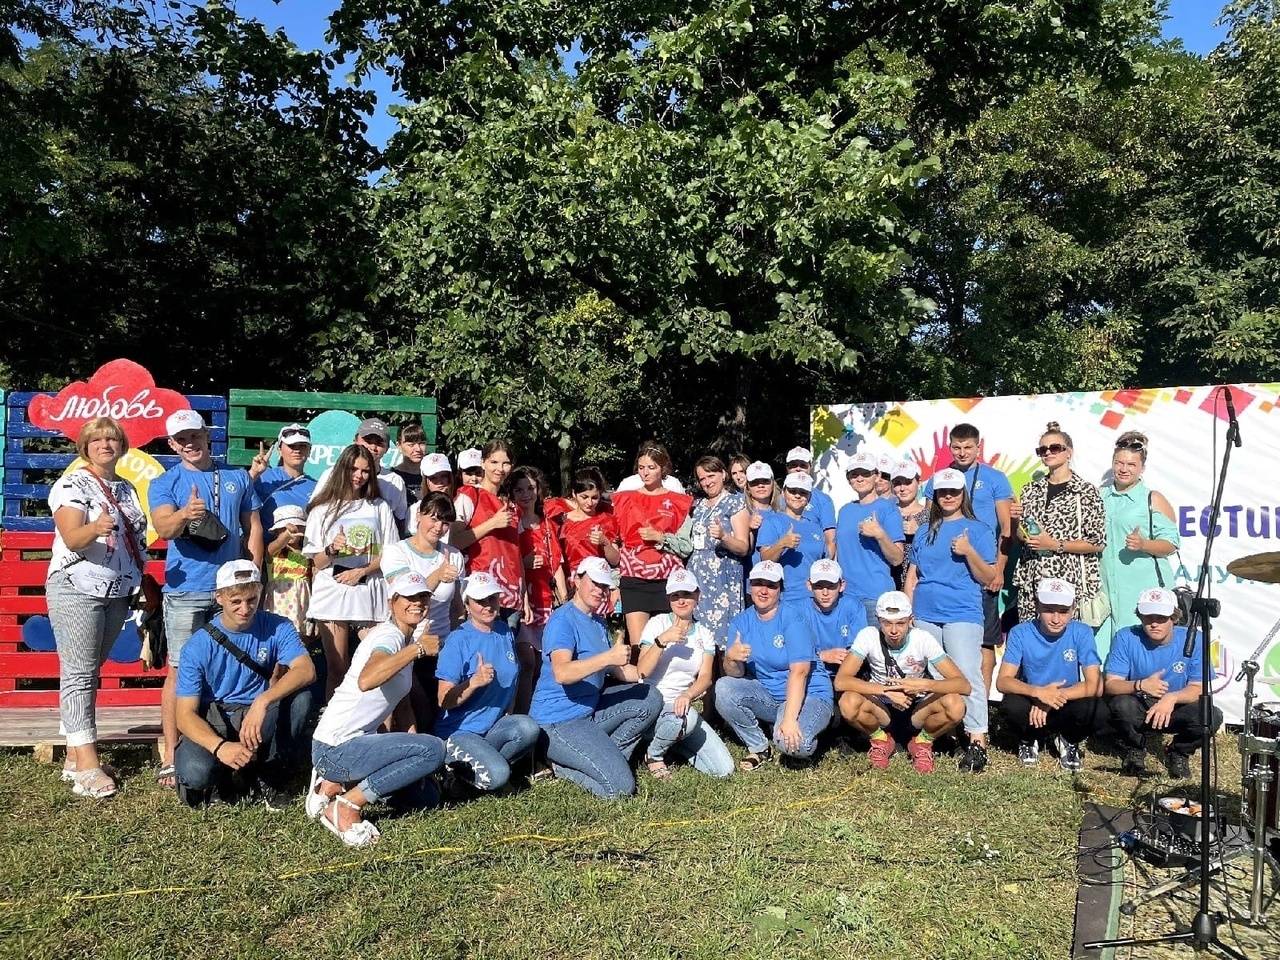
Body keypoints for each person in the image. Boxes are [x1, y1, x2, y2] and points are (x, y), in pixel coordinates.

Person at [150, 409, 263, 790]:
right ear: (172, 445)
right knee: (181, 670)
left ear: (206, 435)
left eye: (194, 436)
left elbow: (253, 528)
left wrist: (255, 575)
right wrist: (186, 513)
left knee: (236, 665)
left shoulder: (236, 476)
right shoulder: (165, 482)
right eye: (181, 439)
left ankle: (234, 744)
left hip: (232, 590)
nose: (189, 444)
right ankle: (170, 752)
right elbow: (164, 528)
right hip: (187, 591)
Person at [46, 416, 147, 798]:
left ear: (121, 446)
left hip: (117, 590)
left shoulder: (127, 488)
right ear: (85, 446)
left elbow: (133, 540)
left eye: (112, 439)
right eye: (98, 439)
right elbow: (72, 537)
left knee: (88, 669)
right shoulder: (71, 484)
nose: (106, 444)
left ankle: (74, 752)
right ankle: (86, 763)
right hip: (77, 586)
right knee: (79, 672)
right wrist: (95, 527)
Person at [307, 571, 447, 848]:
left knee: (425, 795)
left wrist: (414, 748)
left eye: (422, 596)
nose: (417, 602)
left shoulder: (403, 640)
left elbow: (402, 704)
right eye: (409, 597)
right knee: (434, 749)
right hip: (336, 747)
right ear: (392, 602)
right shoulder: (389, 636)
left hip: (353, 744)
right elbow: (367, 679)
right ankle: (345, 806)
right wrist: (418, 649)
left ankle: (330, 786)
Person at [174, 560, 314, 808]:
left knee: (302, 698)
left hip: (257, 713)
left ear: (260, 593)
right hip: (215, 715)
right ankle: (219, 776)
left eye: (251, 600)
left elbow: (306, 670)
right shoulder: (197, 645)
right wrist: (220, 747)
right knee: (196, 773)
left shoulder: (278, 626)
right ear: (219, 598)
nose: (245, 608)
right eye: (235, 601)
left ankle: (269, 775)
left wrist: (263, 700)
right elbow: (184, 715)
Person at [528, 558, 664, 799]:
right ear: (576, 580)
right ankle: (559, 765)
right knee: (620, 789)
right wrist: (607, 657)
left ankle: (608, 755)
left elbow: (625, 672)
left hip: (591, 710)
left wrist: (660, 645)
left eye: (605, 586)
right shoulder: (562, 620)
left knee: (651, 697)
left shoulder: (598, 623)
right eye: (595, 583)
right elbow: (562, 673)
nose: (600, 591)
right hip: (559, 720)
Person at [904, 467, 997, 773]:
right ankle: (941, 732)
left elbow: (990, 577)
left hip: (962, 612)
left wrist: (969, 552)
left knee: (967, 674)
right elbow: (913, 575)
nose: (947, 497)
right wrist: (908, 611)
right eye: (942, 492)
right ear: (933, 495)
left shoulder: (978, 530)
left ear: (963, 494)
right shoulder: (923, 531)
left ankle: (977, 739)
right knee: (933, 674)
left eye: (953, 492)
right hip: (926, 612)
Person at [922, 423, 1014, 702]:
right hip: (946, 576)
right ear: (950, 447)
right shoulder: (936, 480)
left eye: (968, 447)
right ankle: (947, 708)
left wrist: (998, 569)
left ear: (978, 447)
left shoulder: (995, 478)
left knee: (985, 643)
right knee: (943, 645)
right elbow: (928, 526)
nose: (962, 453)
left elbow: (1007, 530)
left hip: (981, 570)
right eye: (957, 447)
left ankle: (981, 704)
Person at [303, 443, 401, 697]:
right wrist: (333, 549)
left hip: (369, 595)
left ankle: (376, 730)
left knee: (377, 667)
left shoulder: (378, 506)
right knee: (337, 667)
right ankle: (332, 731)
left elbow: (390, 553)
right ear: (341, 469)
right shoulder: (321, 509)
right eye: (353, 469)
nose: (359, 475)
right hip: (332, 596)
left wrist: (363, 571)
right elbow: (315, 562)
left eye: (365, 471)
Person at [833, 591, 968, 773]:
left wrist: (924, 685)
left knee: (956, 705)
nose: (894, 630)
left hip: (918, 707)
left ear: (910, 620)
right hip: (882, 707)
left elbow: (963, 685)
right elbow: (841, 681)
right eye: (887, 623)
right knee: (848, 702)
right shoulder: (868, 636)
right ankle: (880, 740)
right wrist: (885, 691)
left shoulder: (923, 639)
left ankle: (922, 743)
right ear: (878, 620)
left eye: (900, 623)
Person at [716, 560, 834, 769]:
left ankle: (815, 724)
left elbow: (800, 672)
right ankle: (759, 746)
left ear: (780, 589)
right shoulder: (740, 622)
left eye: (771, 585)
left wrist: (789, 719)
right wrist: (731, 658)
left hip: (809, 693)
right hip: (770, 695)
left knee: (797, 746)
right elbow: (735, 673)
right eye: (758, 583)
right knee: (724, 687)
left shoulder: (793, 617)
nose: (764, 590)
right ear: (749, 585)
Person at [435, 573, 540, 794]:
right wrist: (473, 683)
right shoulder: (458, 639)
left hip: (492, 726)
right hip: (460, 731)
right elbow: (443, 700)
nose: (488, 606)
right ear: (467, 604)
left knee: (528, 728)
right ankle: (457, 772)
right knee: (500, 775)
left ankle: (481, 767)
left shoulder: (504, 631)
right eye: (480, 601)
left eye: (492, 598)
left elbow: (512, 680)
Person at [1104, 587, 1222, 778]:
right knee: (1120, 705)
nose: (1154, 624)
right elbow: (1111, 684)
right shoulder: (1126, 637)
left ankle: (1179, 751)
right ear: (1140, 616)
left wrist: (1171, 698)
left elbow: (1198, 688)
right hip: (1140, 702)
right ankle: (1135, 748)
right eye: (1148, 617)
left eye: (1161, 618)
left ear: (1174, 618)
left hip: (1176, 706)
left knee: (1211, 715)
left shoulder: (1195, 639)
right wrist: (1140, 684)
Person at [637, 570, 735, 779]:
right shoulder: (657, 624)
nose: (681, 600)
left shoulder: (704, 634)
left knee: (723, 769)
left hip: (681, 705)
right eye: (675, 595)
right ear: (668, 599)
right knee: (687, 718)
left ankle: (672, 743)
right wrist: (662, 640)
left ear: (698, 596)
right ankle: (654, 755)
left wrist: (688, 695)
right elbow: (642, 671)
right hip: (653, 704)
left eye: (687, 594)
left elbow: (705, 678)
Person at [996, 579, 1102, 771]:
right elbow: (1003, 681)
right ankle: (1028, 739)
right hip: (1032, 700)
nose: (1055, 618)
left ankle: (1068, 740)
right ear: (1037, 606)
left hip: (1066, 700)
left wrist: (1052, 697)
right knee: (1011, 704)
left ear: (1073, 608)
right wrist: (1038, 693)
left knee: (1097, 708)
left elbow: (1096, 684)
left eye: (1063, 611)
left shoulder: (1082, 632)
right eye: (1048, 610)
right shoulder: (1020, 632)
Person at [380, 491, 465, 729]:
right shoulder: (396, 552)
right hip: (407, 644)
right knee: (416, 707)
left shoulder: (454, 556)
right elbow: (407, 595)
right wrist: (438, 574)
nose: (439, 527)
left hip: (441, 646)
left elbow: (457, 608)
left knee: (439, 712)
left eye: (445, 522)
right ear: (419, 516)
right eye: (434, 518)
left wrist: (458, 645)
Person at [1010, 422, 1106, 625]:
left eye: (1054, 448)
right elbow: (1021, 534)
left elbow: (1097, 542)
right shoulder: (1030, 490)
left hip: (1068, 584)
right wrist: (1019, 527)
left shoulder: (1086, 491)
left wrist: (1055, 545)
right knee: (1033, 647)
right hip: (1032, 582)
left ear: (1068, 452)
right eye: (1042, 449)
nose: (1047, 452)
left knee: (1067, 647)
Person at [1098, 431, 1180, 660]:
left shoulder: (1152, 499)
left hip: (1142, 597)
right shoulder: (1099, 497)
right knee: (1104, 663)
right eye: (1119, 463)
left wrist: (1144, 544)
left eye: (1131, 464)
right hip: (1106, 599)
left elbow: (1172, 544)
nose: (1124, 469)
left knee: (1142, 659)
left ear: (1142, 468)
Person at [611, 441, 694, 646]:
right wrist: (613, 583)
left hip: (667, 580)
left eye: (651, 467)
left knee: (668, 643)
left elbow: (686, 547)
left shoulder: (678, 502)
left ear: (663, 468)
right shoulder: (624, 500)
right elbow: (614, 542)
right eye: (641, 468)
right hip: (634, 579)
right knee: (639, 644)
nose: (645, 473)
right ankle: (639, 678)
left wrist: (660, 537)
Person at [253, 423, 317, 637]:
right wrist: (253, 474)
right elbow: (237, 503)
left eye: (302, 446)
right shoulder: (263, 478)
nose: (297, 450)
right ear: (280, 448)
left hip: (300, 568)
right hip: (263, 564)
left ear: (309, 450)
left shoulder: (317, 486)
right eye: (291, 446)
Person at [513, 465, 568, 712]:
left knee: (544, 662)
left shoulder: (546, 524)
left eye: (531, 488)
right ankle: (522, 715)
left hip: (546, 599)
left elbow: (556, 562)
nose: (526, 495)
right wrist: (523, 562)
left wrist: (564, 600)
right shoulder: (511, 522)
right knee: (526, 662)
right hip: (523, 598)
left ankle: (542, 711)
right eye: (519, 490)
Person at [451, 440, 523, 621]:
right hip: (481, 591)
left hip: (512, 595)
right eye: (494, 462)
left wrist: (525, 597)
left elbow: (516, 553)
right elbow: (455, 541)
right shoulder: (469, 495)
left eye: (505, 463)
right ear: (483, 463)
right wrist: (492, 523)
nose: (500, 468)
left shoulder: (511, 505)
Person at [833, 451, 905, 624]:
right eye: (854, 474)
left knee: (878, 651)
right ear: (849, 479)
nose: (859, 478)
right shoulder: (844, 511)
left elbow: (897, 558)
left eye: (865, 473)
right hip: (845, 596)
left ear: (877, 476)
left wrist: (880, 535)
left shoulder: (888, 509)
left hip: (875, 597)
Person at [686, 455, 751, 646]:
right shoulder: (697, 506)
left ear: (723, 474)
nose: (706, 482)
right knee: (700, 641)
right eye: (702, 479)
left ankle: (726, 675)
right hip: (699, 581)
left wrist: (724, 537)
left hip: (724, 581)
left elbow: (743, 547)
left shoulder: (736, 503)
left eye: (710, 476)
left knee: (725, 639)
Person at [311, 418, 408, 533]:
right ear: (355, 440)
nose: (373, 447)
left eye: (379, 443)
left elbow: (400, 520)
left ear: (387, 448)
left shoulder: (395, 482)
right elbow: (315, 511)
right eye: (368, 441)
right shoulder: (331, 474)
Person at [557, 468, 621, 618]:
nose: (589, 503)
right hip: (573, 584)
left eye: (594, 497)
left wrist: (605, 542)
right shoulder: (562, 521)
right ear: (574, 494)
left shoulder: (607, 520)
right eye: (584, 497)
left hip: (600, 584)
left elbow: (615, 559)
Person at [755, 472, 826, 607]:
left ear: (809, 496)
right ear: (784, 492)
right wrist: (782, 544)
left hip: (814, 600)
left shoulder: (816, 528)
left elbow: (822, 562)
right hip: (785, 599)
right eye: (793, 491)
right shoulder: (772, 522)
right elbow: (765, 560)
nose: (797, 495)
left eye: (803, 492)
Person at [802, 558, 867, 680]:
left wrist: (847, 656)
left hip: (845, 672)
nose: (825, 593)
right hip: (811, 673)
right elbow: (790, 653)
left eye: (831, 586)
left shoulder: (854, 606)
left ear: (842, 585)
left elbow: (857, 649)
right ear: (809, 585)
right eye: (819, 586)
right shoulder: (797, 610)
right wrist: (821, 656)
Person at [784, 446, 836, 557]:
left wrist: (823, 568)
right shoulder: (777, 497)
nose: (798, 469)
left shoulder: (823, 500)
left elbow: (830, 540)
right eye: (793, 465)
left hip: (813, 564)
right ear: (787, 468)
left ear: (810, 467)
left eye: (803, 465)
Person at [889, 459, 927, 590]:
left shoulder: (931, 515)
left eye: (908, 482)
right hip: (890, 581)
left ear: (919, 483)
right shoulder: (885, 512)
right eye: (898, 483)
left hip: (918, 581)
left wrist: (920, 531)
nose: (903, 488)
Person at [407, 451, 455, 531]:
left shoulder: (460, 504)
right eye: (433, 478)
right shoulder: (415, 509)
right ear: (426, 481)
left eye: (444, 476)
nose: (439, 482)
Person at [390, 422, 429, 506]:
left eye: (421, 443)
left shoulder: (433, 475)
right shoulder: (392, 478)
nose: (418, 449)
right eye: (411, 445)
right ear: (399, 446)